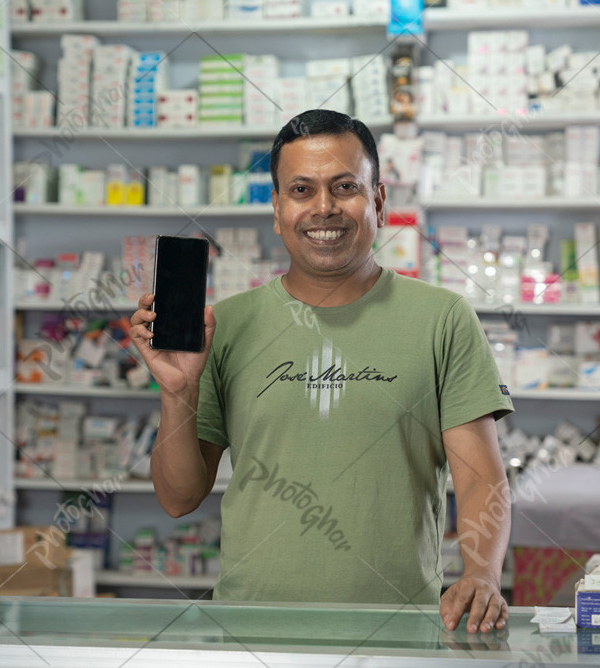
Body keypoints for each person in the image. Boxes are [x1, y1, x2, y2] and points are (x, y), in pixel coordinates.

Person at [130, 109, 514, 634]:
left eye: (345, 187)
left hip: (396, 631)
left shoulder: (442, 318)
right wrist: (177, 391)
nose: (324, 208)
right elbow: (178, 499)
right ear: (277, 207)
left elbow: (480, 479)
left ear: (377, 200)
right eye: (302, 190)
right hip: (251, 630)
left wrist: (483, 572)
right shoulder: (227, 324)